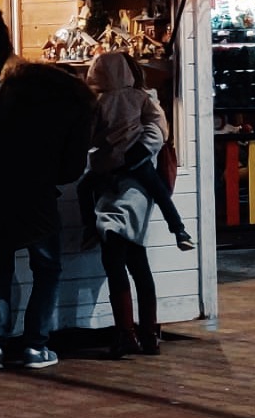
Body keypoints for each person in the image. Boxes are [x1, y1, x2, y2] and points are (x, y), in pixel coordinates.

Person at [0, 22, 96, 371]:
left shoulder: (11, 87)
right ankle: (35, 347)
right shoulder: (77, 104)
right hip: (37, 197)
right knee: (47, 268)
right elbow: (72, 169)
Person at [78, 51, 192, 359]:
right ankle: (147, 333)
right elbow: (157, 131)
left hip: (117, 184)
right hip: (133, 182)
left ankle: (127, 333)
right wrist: (135, 154)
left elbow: (89, 138)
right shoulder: (142, 98)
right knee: (137, 261)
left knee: (115, 259)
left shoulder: (102, 103)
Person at [77, 51, 194, 252]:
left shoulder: (97, 103)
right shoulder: (140, 96)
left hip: (108, 163)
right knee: (159, 191)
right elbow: (158, 125)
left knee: (84, 188)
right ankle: (179, 231)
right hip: (137, 158)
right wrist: (141, 148)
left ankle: (90, 229)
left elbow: (88, 135)